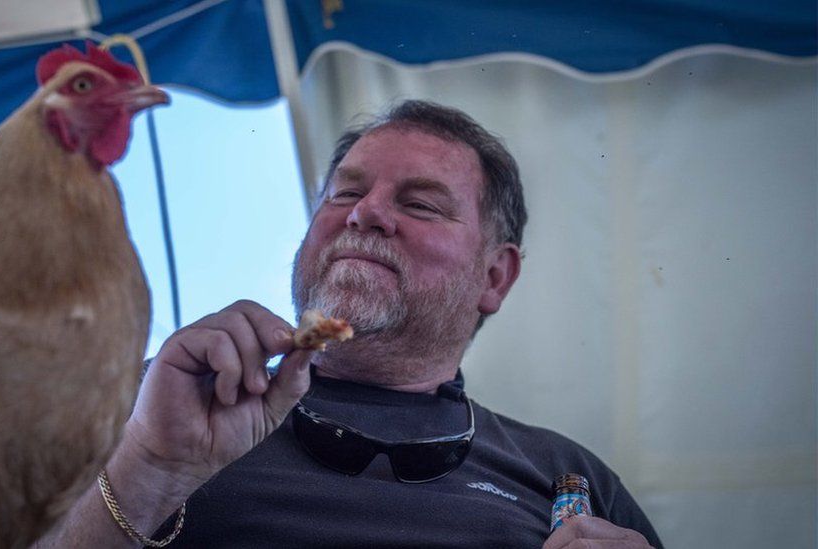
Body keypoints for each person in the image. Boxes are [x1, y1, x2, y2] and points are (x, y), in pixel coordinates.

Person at [33, 100, 662, 548]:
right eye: (343, 193)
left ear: (495, 277)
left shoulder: (566, 475)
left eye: (418, 203)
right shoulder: (154, 405)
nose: (365, 213)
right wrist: (150, 469)